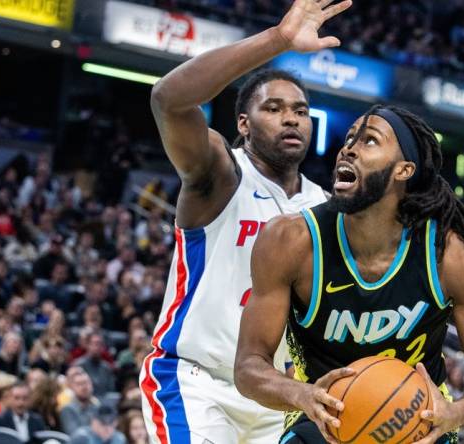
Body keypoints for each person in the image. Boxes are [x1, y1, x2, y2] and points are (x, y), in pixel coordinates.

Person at [139, 0, 351, 442]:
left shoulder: (326, 207)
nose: (291, 117)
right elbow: (167, 99)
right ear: (244, 123)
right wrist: (277, 39)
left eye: (298, 109)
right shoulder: (220, 175)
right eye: (273, 108)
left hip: (276, 396)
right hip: (198, 382)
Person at [234, 105, 464, 443]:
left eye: (369, 141)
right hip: (323, 419)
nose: (348, 147)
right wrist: (300, 394)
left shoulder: (453, 254)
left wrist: (455, 413)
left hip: (416, 420)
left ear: (404, 169)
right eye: (349, 138)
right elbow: (248, 366)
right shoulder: (290, 240)